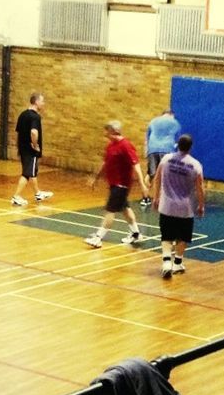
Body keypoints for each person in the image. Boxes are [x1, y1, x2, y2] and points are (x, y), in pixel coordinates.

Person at [84, 120, 148, 248]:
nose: (105, 134)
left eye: (107, 131)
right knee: (125, 208)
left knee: (110, 210)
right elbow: (105, 163)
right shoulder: (110, 146)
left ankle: (98, 237)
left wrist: (142, 184)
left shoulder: (126, 145)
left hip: (121, 185)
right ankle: (135, 233)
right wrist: (95, 178)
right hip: (113, 183)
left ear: (114, 131)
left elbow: (135, 165)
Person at [152, 133, 205, 278]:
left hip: (167, 206)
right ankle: (177, 263)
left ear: (177, 145)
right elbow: (200, 187)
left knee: (166, 236)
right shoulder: (195, 165)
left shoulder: (166, 159)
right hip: (185, 208)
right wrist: (201, 205)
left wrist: (156, 197)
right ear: (190, 148)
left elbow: (157, 179)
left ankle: (166, 262)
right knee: (182, 236)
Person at [11, 92, 53, 206]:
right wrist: (35, 145)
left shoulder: (22, 115)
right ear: (36, 102)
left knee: (32, 171)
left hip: (23, 149)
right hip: (31, 151)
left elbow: (17, 133)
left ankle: (38, 193)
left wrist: (18, 147)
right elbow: (34, 132)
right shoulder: (35, 117)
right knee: (27, 173)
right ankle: (16, 196)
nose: (43, 104)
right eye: (42, 101)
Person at [141, 108, 181, 208]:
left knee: (151, 175)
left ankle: (145, 199)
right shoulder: (175, 123)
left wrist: (146, 151)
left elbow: (147, 138)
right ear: (171, 115)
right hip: (167, 150)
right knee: (165, 176)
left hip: (152, 150)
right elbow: (178, 140)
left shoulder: (153, 121)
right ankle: (161, 200)